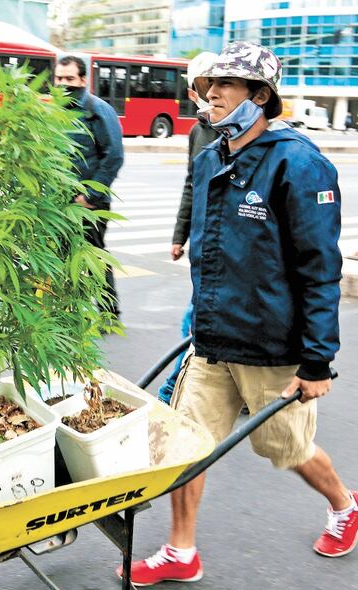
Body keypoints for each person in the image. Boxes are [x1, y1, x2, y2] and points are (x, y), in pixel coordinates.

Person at [120, 42, 358, 587]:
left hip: (270, 344)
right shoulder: (212, 157)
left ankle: (346, 504)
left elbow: (319, 269)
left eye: (227, 85)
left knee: (287, 448)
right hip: (213, 338)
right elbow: (213, 251)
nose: (211, 93)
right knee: (187, 444)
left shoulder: (299, 164)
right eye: (211, 84)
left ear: (260, 97)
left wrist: (318, 362)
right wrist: (197, 318)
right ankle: (180, 550)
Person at [158, 51, 219, 404]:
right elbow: (192, 183)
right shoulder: (199, 131)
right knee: (200, 316)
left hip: (223, 242)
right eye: (201, 88)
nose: (209, 94)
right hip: (203, 238)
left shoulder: (244, 134)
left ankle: (171, 392)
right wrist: (180, 234)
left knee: (195, 321)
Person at [54, 55, 124, 319]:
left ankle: (108, 312)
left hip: (89, 203)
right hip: (60, 202)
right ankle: (66, 311)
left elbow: (114, 155)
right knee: (61, 256)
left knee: (93, 256)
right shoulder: (57, 111)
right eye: (59, 78)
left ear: (83, 80)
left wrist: (90, 196)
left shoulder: (97, 110)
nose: (63, 84)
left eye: (69, 79)